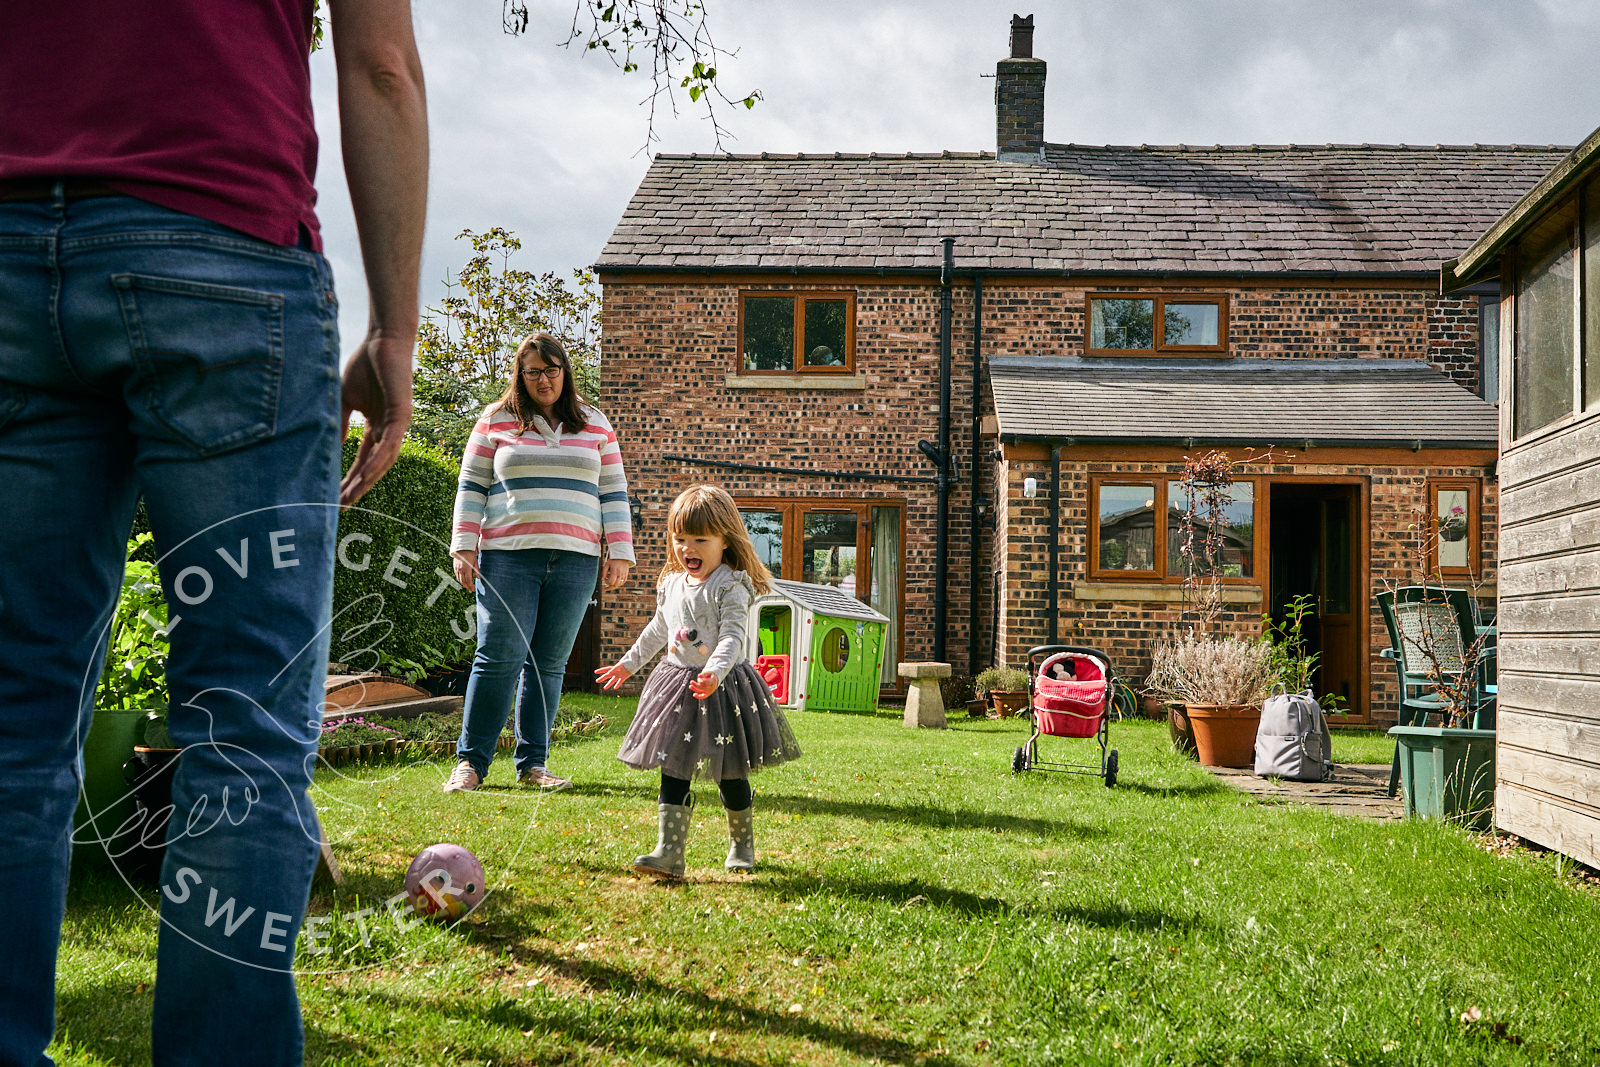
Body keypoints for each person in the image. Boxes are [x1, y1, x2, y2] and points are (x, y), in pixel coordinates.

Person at [0, 2, 426, 1064]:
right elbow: (379, 67)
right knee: (244, 722)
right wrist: (396, 328)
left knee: (12, 713)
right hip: (224, 250)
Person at [446, 332, 635, 794]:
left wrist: (621, 551)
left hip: (576, 560)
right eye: (533, 372)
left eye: (551, 370)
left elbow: (613, 490)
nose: (543, 380)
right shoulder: (495, 420)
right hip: (508, 557)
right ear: (521, 375)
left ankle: (534, 765)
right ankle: (471, 765)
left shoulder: (595, 422)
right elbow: (472, 486)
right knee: (497, 659)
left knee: (549, 664)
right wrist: (464, 545)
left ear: (565, 372)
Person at [596, 485, 802, 879]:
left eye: (700, 540)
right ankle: (669, 852)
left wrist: (714, 672)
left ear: (726, 540)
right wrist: (628, 664)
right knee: (673, 766)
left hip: (723, 688)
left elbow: (732, 637)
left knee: (731, 772)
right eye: (680, 539)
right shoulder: (672, 583)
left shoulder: (730, 585)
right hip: (676, 687)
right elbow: (660, 628)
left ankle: (742, 843)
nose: (687, 548)